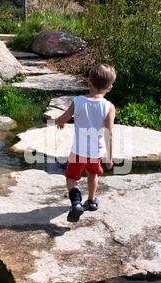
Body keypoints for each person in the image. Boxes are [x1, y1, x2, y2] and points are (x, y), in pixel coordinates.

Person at [55, 64, 116, 222]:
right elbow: (109, 133)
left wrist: (59, 121)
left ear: (89, 82)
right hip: (96, 152)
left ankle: (76, 203)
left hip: (78, 152)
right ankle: (92, 200)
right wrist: (109, 157)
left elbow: (63, 118)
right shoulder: (109, 107)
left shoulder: (78, 101)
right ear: (109, 88)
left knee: (71, 178)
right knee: (92, 174)